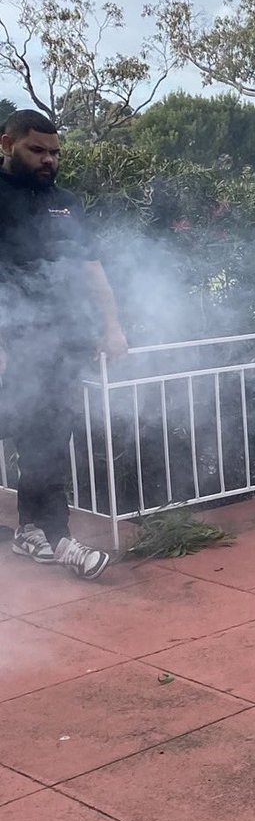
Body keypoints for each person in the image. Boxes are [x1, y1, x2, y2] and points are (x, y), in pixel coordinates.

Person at [0, 109, 127, 579]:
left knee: (48, 441)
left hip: (60, 344)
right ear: (7, 144)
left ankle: (47, 535)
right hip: (12, 344)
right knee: (28, 434)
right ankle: (45, 533)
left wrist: (112, 327)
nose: (48, 160)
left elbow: (91, 270)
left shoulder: (66, 203)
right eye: (37, 150)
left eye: (55, 152)